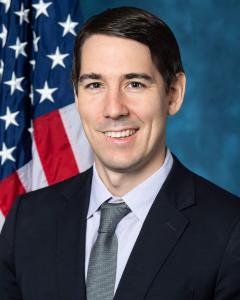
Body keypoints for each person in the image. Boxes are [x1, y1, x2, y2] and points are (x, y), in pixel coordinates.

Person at [0, 6, 240, 300]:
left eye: (135, 84)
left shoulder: (230, 229)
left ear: (174, 93)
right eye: (95, 85)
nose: (114, 109)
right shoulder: (27, 220)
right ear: (76, 95)